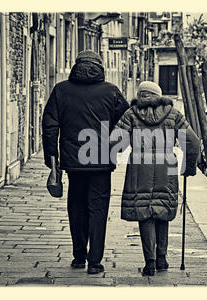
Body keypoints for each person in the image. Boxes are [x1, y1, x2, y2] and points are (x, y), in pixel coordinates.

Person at [42, 50, 129, 274]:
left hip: (74, 163)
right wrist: (114, 148)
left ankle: (79, 256)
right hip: (101, 161)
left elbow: (50, 126)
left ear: (76, 66)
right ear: (100, 66)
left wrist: (52, 161)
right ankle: (95, 261)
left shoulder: (61, 90)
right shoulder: (111, 92)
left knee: (77, 208)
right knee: (98, 210)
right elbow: (127, 123)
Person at [111, 81, 201, 276]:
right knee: (162, 209)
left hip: (139, 168)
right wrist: (189, 166)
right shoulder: (173, 114)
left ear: (140, 94)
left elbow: (115, 143)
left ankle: (149, 262)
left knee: (144, 212)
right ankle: (162, 258)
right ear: (158, 95)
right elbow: (193, 141)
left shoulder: (131, 114)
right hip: (166, 167)